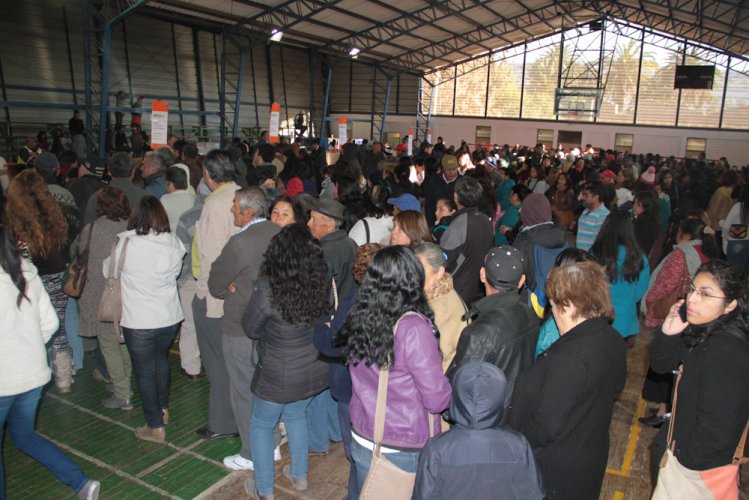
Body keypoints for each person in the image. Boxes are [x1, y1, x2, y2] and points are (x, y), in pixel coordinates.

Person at [508, 260, 626, 500]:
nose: (552, 314)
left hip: (555, 472)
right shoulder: (613, 338)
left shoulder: (571, 359)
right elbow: (616, 386)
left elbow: (545, 427)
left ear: (570, 306)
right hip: (589, 452)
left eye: (553, 306)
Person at [0, 225, 101, 500]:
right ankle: (81, 482)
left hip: (5, 381)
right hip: (32, 376)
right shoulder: (27, 272)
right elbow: (51, 323)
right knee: (25, 436)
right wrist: (30, 348)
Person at [340, 245, 452, 491]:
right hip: (400, 444)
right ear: (413, 278)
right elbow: (436, 400)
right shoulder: (412, 327)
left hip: (362, 433)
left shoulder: (360, 313)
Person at [241, 224, 331, 499]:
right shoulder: (320, 281)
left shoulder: (269, 288)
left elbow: (250, 328)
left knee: (261, 425)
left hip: (278, 374)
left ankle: (264, 489)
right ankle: (299, 476)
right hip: (313, 369)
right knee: (296, 416)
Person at [650, 261, 749, 497]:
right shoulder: (705, 330)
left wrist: (682, 459)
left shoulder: (726, 352)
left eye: (705, 294)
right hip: (678, 450)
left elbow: (716, 433)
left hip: (693, 471)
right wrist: (668, 333)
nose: (692, 299)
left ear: (730, 305)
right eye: (692, 289)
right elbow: (660, 366)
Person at [208, 187, 280, 471]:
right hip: (274, 325)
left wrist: (231, 286)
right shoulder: (280, 233)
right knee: (267, 389)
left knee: (243, 389)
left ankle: (251, 453)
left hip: (240, 326)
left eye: (235, 205)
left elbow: (216, 284)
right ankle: (271, 444)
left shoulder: (239, 243)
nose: (231, 210)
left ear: (249, 211)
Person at [104, 196, 185, 443]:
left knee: (144, 372)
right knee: (160, 362)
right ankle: (163, 409)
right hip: (168, 318)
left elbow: (107, 271)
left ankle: (154, 425)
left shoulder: (126, 244)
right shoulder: (174, 242)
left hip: (138, 320)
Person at [413, 362, 544, 500]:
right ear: (499, 398)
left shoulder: (437, 448)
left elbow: (422, 496)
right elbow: (534, 493)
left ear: (457, 395)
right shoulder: (518, 444)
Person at [313, 243, 381, 500]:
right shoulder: (393, 297)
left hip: (350, 383)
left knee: (355, 450)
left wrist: (322, 327)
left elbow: (333, 342)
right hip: (377, 387)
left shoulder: (356, 298)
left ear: (359, 271)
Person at [446, 246, 539, 418]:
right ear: (521, 281)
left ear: (482, 274)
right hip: (517, 413)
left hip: (486, 420)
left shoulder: (476, 333)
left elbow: (457, 389)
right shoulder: (531, 314)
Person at [5, 170, 74, 393]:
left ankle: (36, 371)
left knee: (29, 328)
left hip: (27, 279)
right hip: (56, 275)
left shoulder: (14, 220)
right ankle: (64, 378)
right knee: (58, 327)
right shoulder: (56, 213)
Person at [192, 150, 240, 440]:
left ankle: (221, 423)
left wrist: (205, 295)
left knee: (216, 361)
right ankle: (237, 418)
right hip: (237, 289)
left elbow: (209, 254)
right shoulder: (241, 194)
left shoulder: (214, 203)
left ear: (209, 175)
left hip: (215, 291)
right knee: (234, 360)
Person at [73, 187, 134, 409]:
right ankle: (125, 382)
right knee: (124, 342)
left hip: (99, 296)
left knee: (108, 344)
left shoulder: (92, 229)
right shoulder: (131, 229)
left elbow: (78, 253)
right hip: (126, 294)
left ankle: (122, 393)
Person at [590, 210, 650, 345]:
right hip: (625, 317)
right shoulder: (638, 256)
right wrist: (627, 298)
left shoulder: (595, 253)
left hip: (598, 314)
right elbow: (641, 289)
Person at [413, 242, 469, 372]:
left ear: (439, 273)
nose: (413, 274)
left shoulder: (438, 308)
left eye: (420, 269)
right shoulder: (440, 292)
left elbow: (429, 362)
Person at [440, 176, 494, 305]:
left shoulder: (459, 226)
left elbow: (443, 262)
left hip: (459, 292)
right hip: (479, 288)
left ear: (456, 196)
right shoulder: (485, 219)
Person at [576, 181, 610, 251]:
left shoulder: (604, 215)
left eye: (586, 195)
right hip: (581, 254)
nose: (583, 198)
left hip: (592, 257)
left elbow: (604, 240)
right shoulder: (585, 210)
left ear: (596, 197)